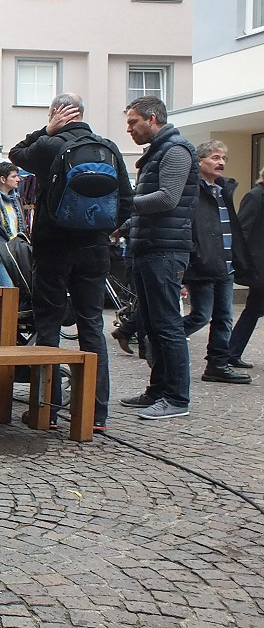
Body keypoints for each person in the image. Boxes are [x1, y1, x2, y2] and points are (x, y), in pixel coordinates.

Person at [9, 92, 133, 433]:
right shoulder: (108, 147)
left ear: (56, 114)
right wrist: (102, 231)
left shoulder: (50, 146)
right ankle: (96, 414)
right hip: (94, 250)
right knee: (92, 326)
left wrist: (45, 131)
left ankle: (46, 412)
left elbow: (15, 154)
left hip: (53, 248)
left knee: (48, 326)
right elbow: (127, 201)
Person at [120, 96, 199, 420]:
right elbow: (149, 202)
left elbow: (167, 198)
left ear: (152, 118)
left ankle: (177, 398)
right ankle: (157, 391)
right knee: (153, 325)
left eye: (133, 122)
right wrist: (123, 225)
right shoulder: (158, 152)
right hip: (150, 247)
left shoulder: (176, 150)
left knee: (167, 326)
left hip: (164, 251)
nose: (129, 129)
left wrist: (124, 204)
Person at [182, 140, 251, 384]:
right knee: (200, 315)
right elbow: (187, 227)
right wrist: (194, 255)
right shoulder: (191, 190)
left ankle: (217, 365)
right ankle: (161, 340)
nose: (220, 162)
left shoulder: (223, 190)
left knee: (224, 317)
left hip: (225, 264)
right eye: (214, 157)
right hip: (203, 264)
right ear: (199, 162)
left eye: (223, 158)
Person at [229, 163, 264, 369]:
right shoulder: (255, 196)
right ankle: (230, 351)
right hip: (259, 266)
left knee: (253, 309)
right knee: (253, 309)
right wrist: (246, 264)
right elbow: (242, 231)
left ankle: (231, 351)